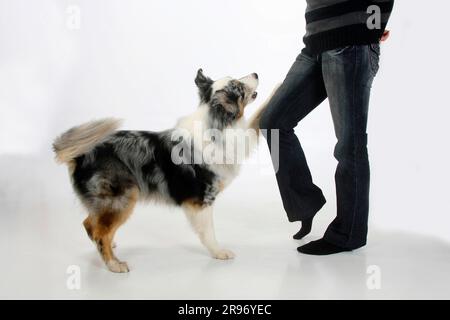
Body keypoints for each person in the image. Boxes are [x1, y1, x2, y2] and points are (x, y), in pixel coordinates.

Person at [260, 0, 395, 255]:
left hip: (350, 44)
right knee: (274, 123)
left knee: (349, 144)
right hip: (315, 44)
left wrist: (374, 25)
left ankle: (349, 233)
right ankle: (305, 203)